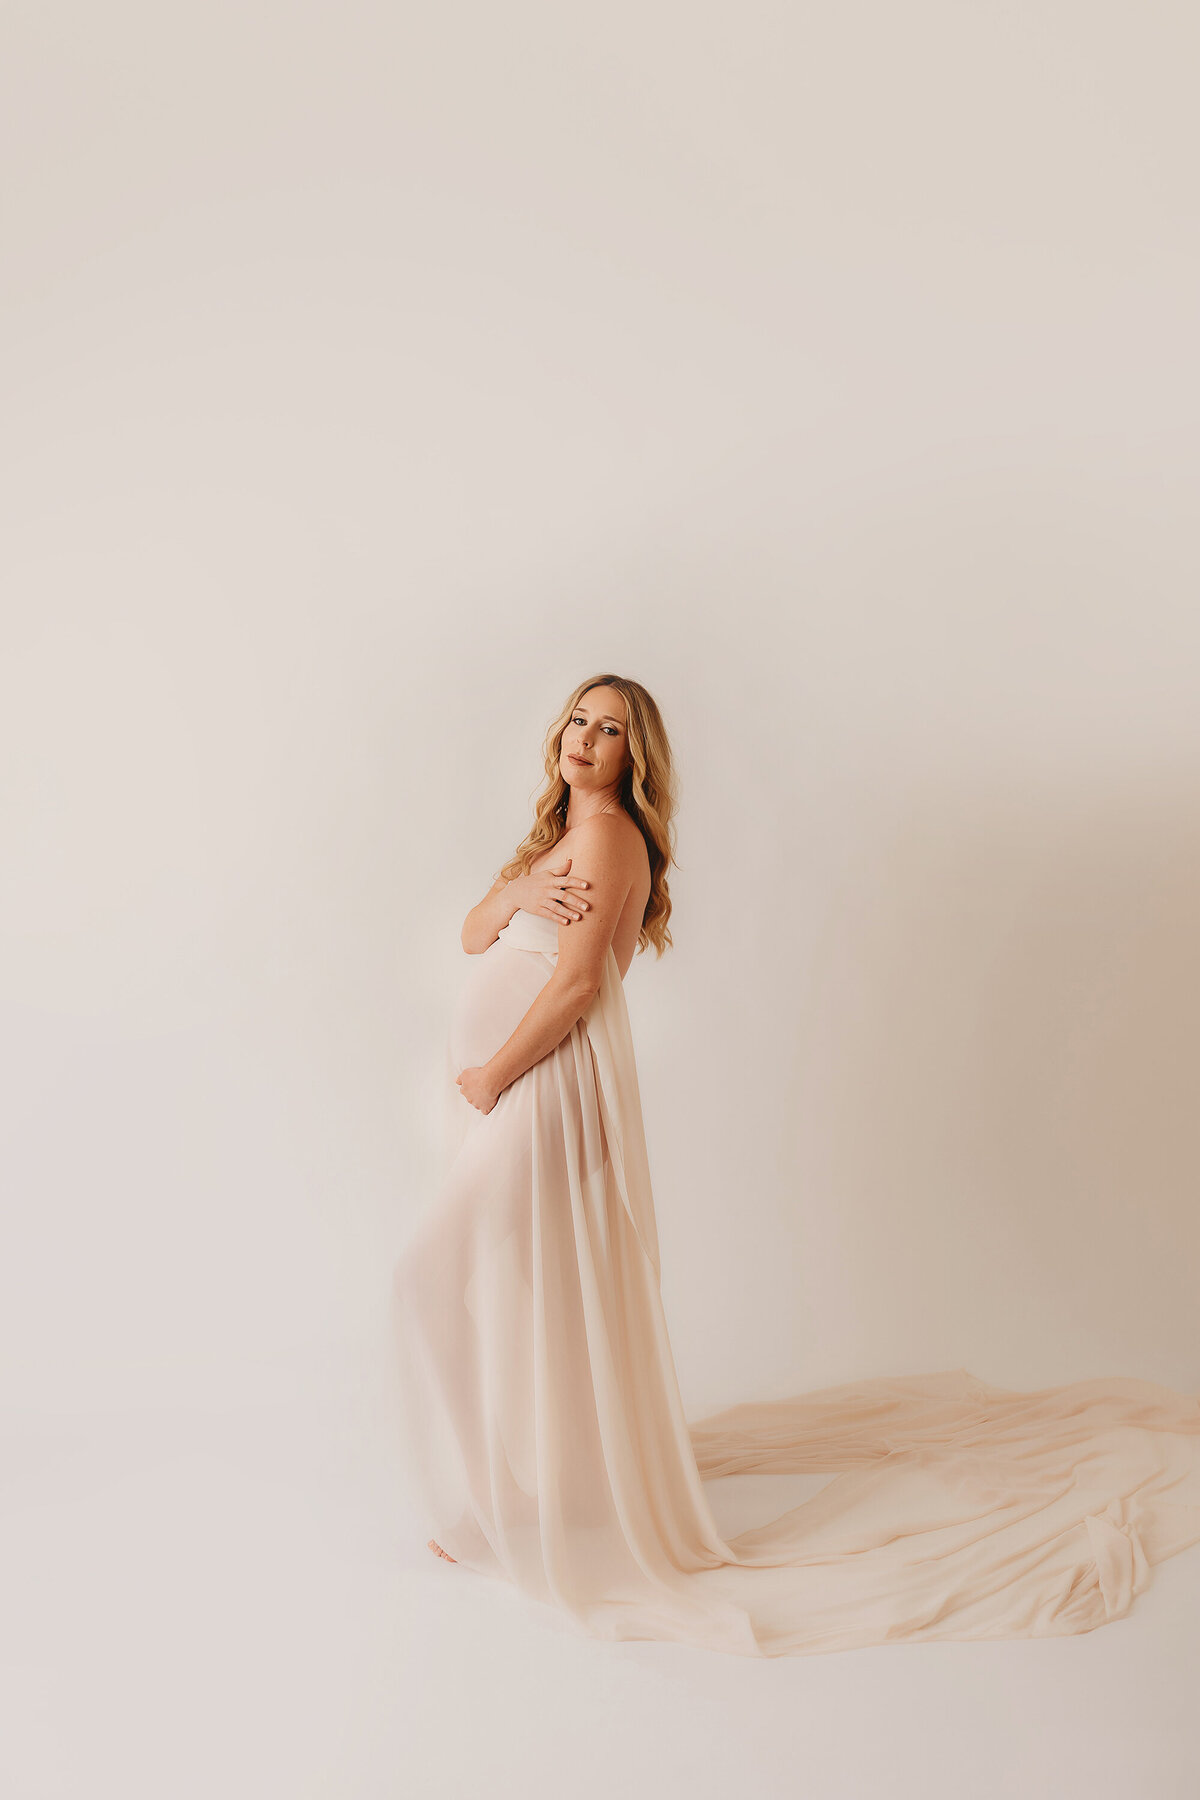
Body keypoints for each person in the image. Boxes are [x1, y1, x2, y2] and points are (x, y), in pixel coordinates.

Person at [391, 672, 1200, 1657]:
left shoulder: (607, 838)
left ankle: (492, 1512)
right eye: (579, 719)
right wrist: (517, 888)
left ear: (633, 759)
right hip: (522, 1094)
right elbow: (475, 931)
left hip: (537, 1090)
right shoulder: (560, 844)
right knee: (494, 1287)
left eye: (612, 729)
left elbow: (568, 991)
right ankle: (521, 1494)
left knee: (428, 1281)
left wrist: (488, 1078)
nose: (588, 737)